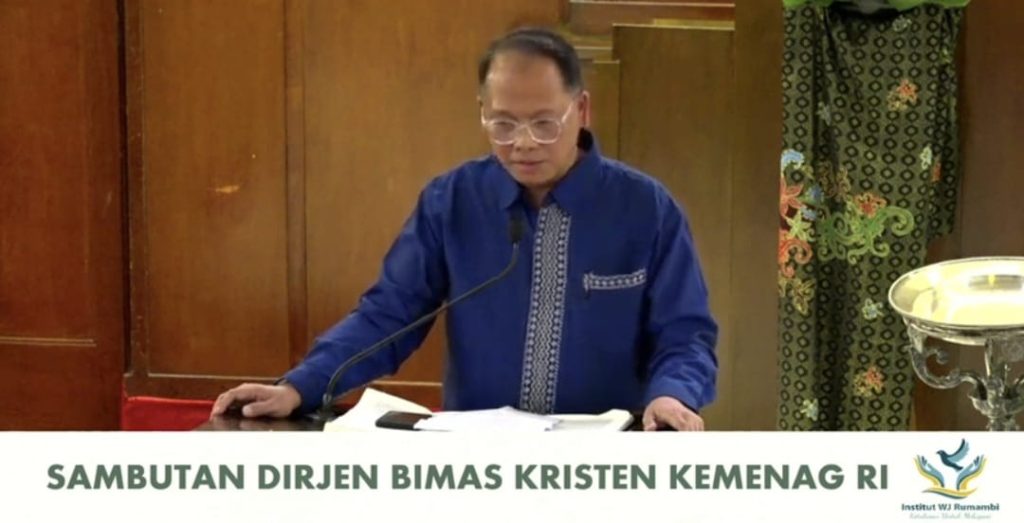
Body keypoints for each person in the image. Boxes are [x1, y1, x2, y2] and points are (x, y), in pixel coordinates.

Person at [211, 27, 718, 431]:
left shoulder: (646, 208)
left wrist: (672, 394)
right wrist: (300, 386)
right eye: (503, 124)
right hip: (478, 458)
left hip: (604, 461)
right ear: (482, 113)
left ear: (581, 110)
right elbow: (389, 315)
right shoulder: (450, 202)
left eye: (545, 124)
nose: (523, 143)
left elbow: (685, 332)